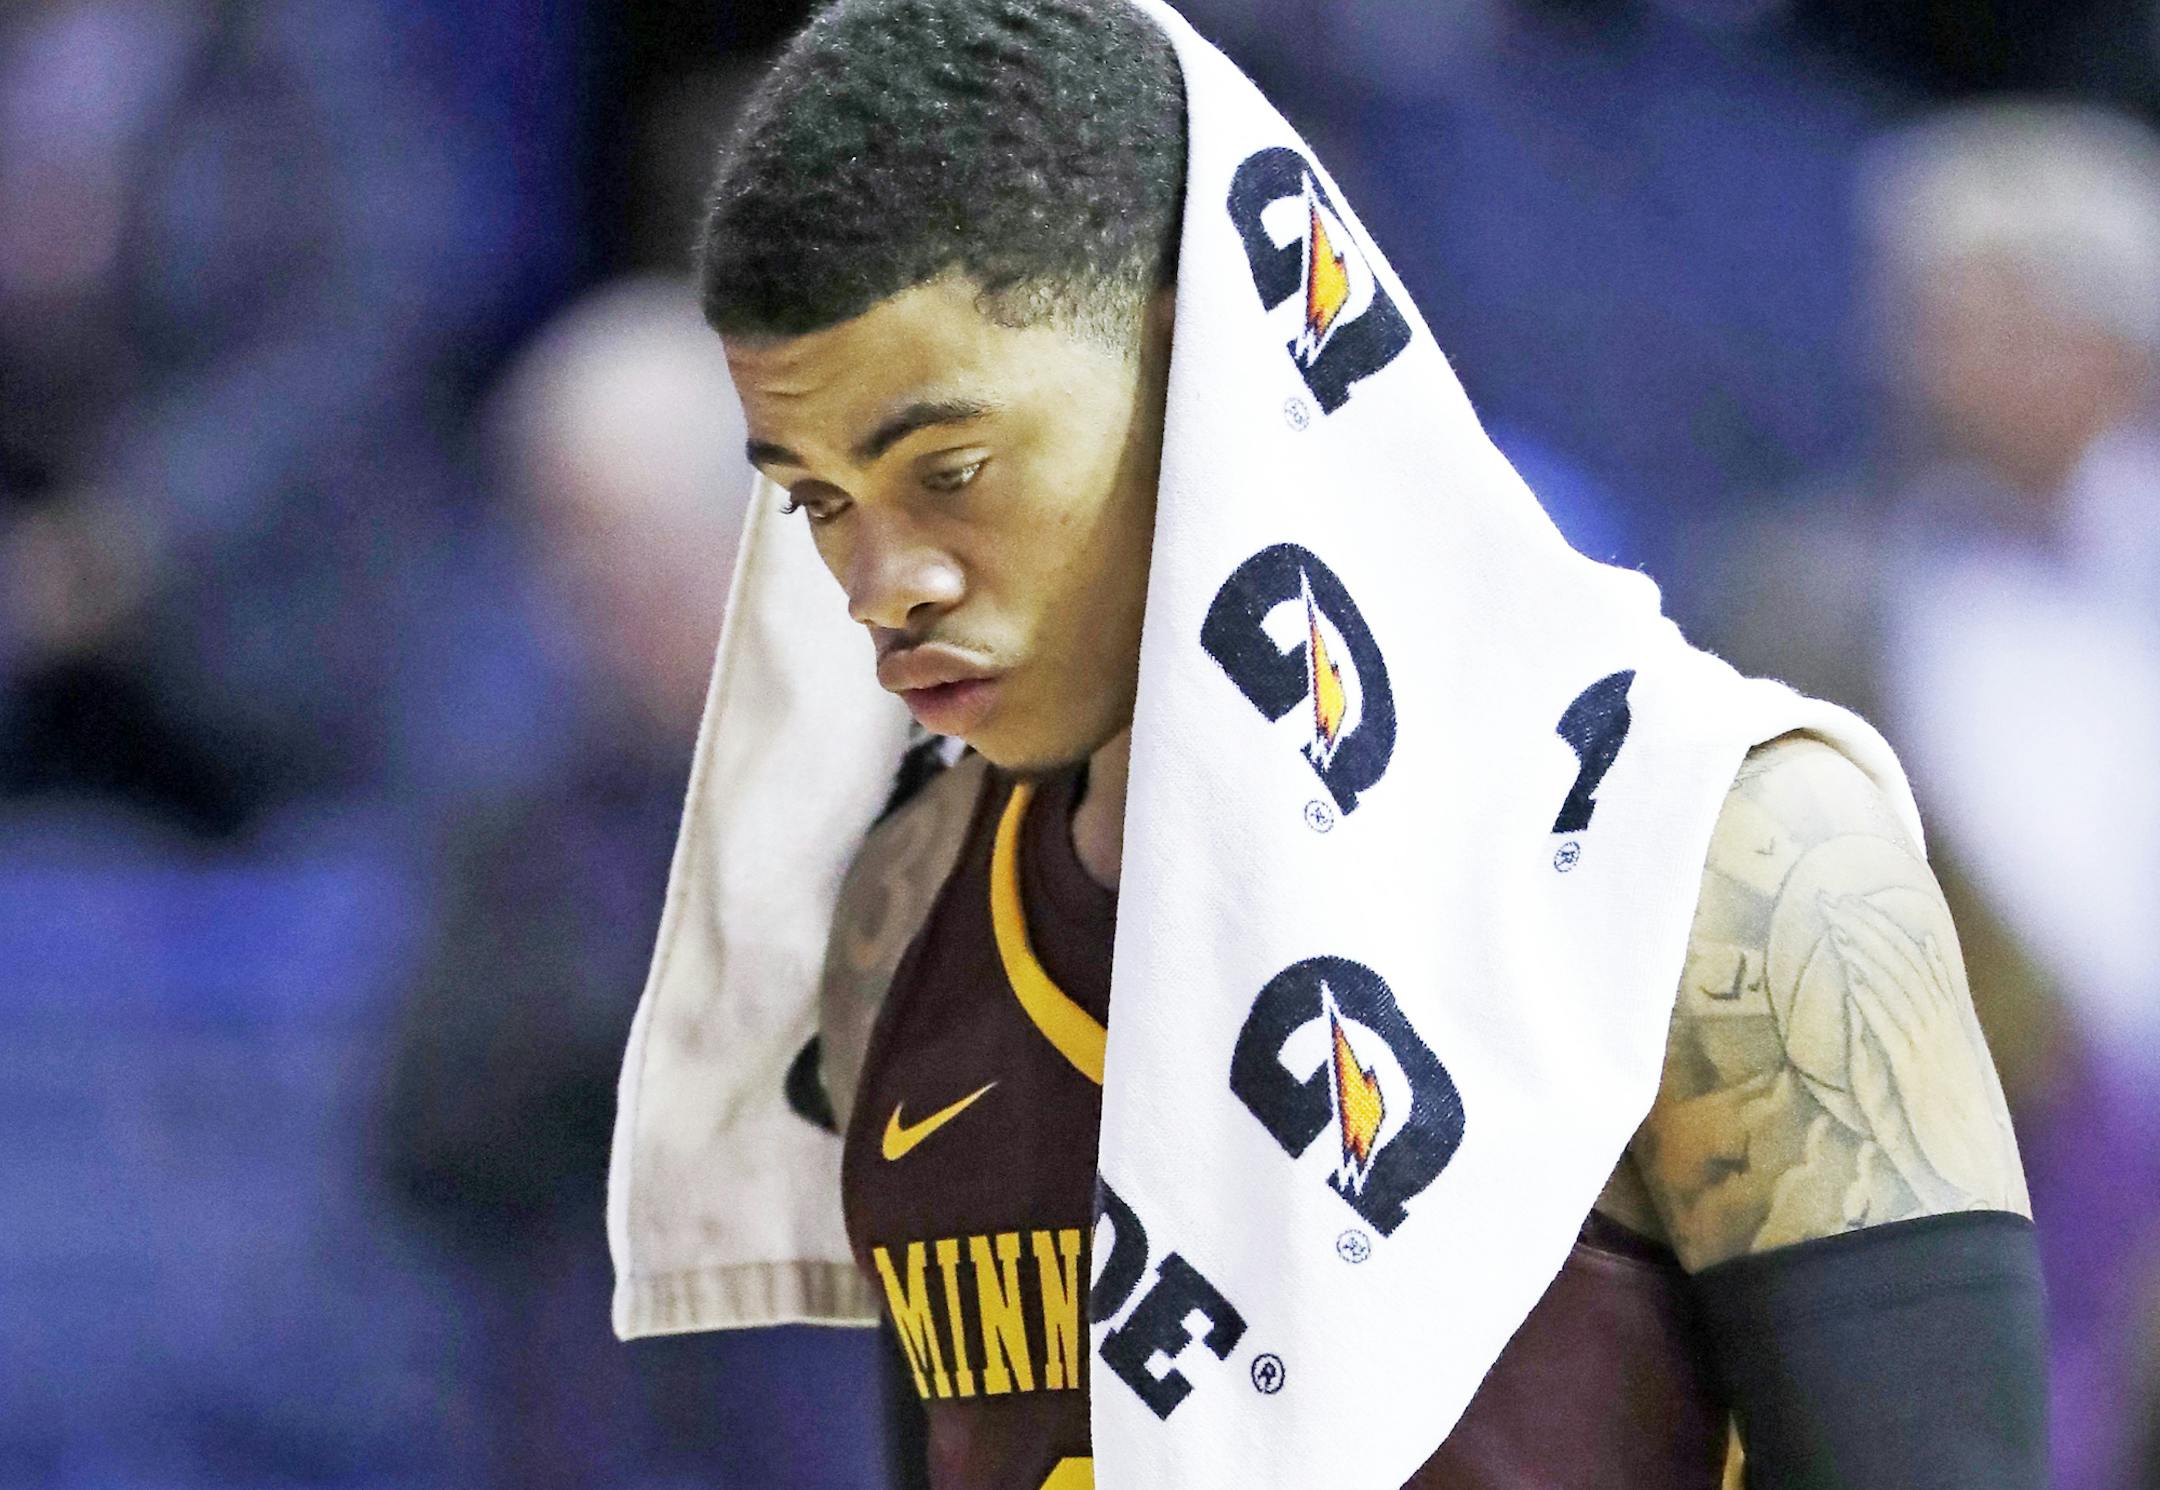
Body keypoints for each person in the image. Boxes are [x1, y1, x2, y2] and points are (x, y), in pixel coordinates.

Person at [658, 2, 2046, 1485]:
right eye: (816, 500)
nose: (883, 586)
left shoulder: (1735, 857)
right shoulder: (902, 909)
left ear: (1199, 367)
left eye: (951, 470)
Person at [1699, 100, 2160, 1490]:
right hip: (1973, 1180)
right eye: (1924, 314)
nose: (1935, 358)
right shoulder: (1807, 599)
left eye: (1993, 318)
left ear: (2111, 347)